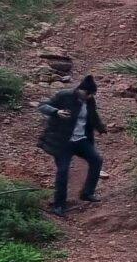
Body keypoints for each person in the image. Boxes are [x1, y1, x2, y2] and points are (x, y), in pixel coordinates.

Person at [37, 74, 105, 217]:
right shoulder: (64, 95)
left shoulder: (90, 101)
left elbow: (93, 116)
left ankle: (87, 193)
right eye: (88, 93)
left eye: (93, 94)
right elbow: (42, 105)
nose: (90, 96)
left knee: (96, 160)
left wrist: (101, 128)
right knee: (63, 171)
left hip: (81, 140)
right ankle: (58, 205)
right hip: (62, 142)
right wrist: (57, 112)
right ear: (80, 89)